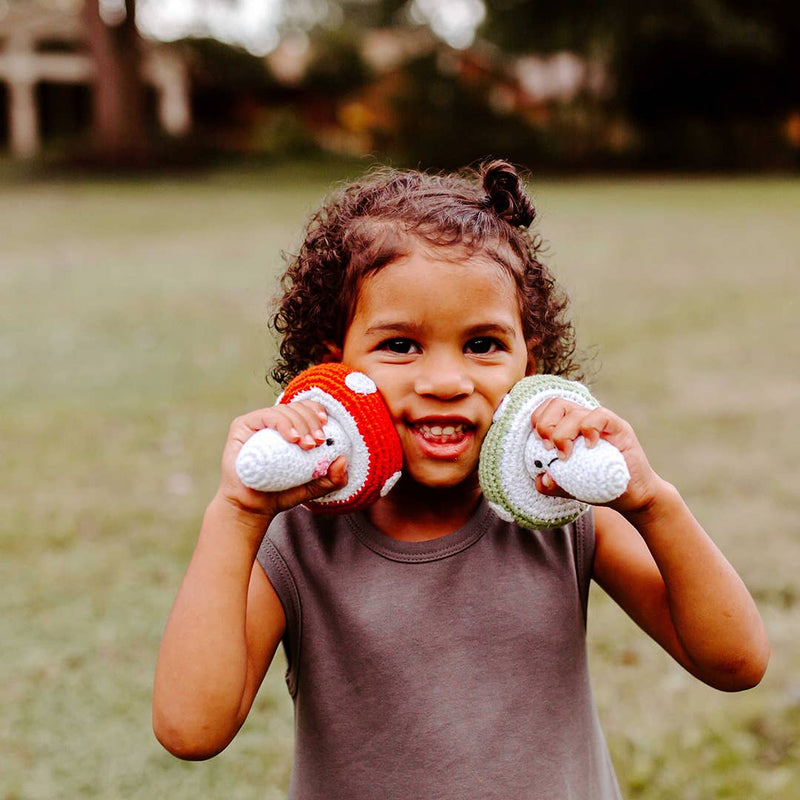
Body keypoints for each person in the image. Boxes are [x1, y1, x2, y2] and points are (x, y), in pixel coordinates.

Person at [152, 160, 769, 799]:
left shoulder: (565, 509)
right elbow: (190, 730)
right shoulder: (297, 537)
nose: (447, 382)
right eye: (400, 346)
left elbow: (735, 663)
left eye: (482, 345)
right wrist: (237, 513)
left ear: (530, 358)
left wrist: (652, 502)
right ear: (333, 366)